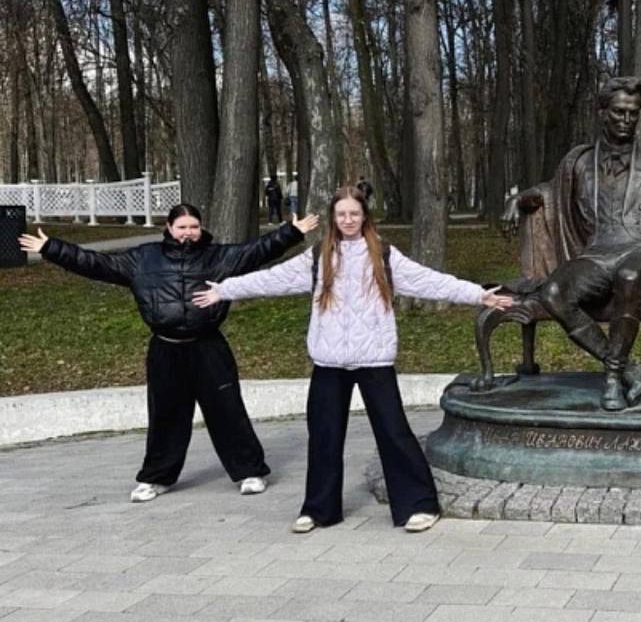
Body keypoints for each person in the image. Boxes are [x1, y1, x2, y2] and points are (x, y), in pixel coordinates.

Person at [193, 186, 513, 533]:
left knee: (393, 432)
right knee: (324, 436)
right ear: (334, 217)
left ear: (364, 217)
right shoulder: (318, 256)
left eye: (354, 214)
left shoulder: (384, 255)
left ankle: (417, 504)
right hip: (329, 363)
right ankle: (319, 509)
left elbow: (428, 281)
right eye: (342, 214)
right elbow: (273, 278)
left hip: (374, 361)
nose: (348, 220)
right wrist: (224, 290)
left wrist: (477, 294)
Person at [18, 204, 319, 502]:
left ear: (201, 228)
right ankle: (156, 478)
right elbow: (95, 263)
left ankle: (249, 472)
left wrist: (291, 232)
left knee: (227, 411)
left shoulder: (220, 257)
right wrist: (51, 248)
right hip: (165, 349)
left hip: (208, 348)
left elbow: (258, 250)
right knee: (166, 415)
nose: (188, 233)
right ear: (169, 228)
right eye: (182, 227)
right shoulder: (143, 259)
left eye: (193, 227)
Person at [503, 76, 641, 410]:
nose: (626, 120)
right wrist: (518, 200)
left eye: (633, 114)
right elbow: (551, 193)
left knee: (629, 278)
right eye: (618, 112)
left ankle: (613, 378)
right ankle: (627, 367)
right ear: (602, 113)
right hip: (599, 252)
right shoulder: (581, 163)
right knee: (553, 292)